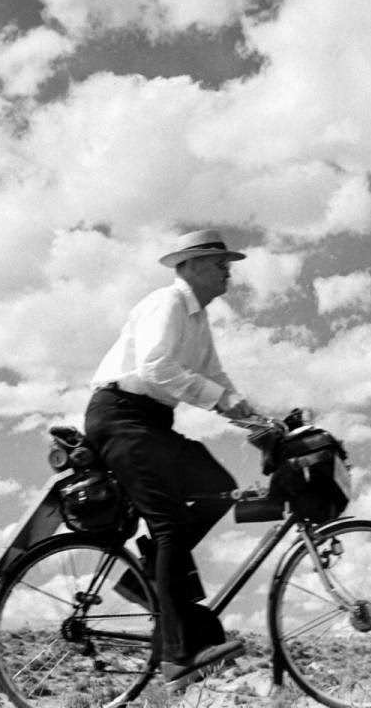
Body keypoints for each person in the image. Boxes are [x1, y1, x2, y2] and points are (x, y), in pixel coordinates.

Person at [83, 229, 261, 689]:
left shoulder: (198, 319)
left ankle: (145, 577)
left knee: (217, 487)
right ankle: (180, 656)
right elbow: (155, 367)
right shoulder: (168, 303)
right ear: (192, 265)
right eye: (220, 262)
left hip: (149, 423)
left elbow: (215, 377)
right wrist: (220, 398)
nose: (228, 270)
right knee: (167, 525)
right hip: (121, 417)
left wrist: (259, 423)